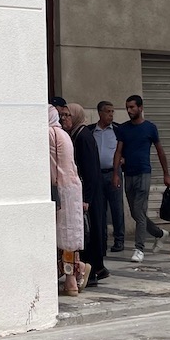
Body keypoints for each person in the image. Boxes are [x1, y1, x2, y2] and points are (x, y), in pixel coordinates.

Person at [114, 94, 170, 262]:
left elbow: (160, 151)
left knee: (139, 211)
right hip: (128, 174)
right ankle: (159, 234)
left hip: (144, 173)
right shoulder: (123, 129)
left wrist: (166, 173)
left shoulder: (150, 128)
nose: (129, 110)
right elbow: (118, 151)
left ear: (140, 108)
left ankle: (139, 248)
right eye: (127, 108)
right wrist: (116, 173)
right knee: (135, 212)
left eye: (132, 107)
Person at [66, 102, 106, 283]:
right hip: (87, 192)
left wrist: (87, 198)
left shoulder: (83, 137)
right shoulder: (77, 134)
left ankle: (94, 271)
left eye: (68, 115)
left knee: (91, 232)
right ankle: (97, 268)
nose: (64, 119)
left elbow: (89, 170)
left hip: (90, 194)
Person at [50, 104, 85, 295]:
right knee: (70, 236)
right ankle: (75, 275)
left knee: (61, 235)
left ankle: (71, 279)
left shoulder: (49, 134)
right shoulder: (64, 134)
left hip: (60, 189)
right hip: (73, 188)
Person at [93, 100, 125, 253]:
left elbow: (125, 150)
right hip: (97, 174)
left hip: (114, 173)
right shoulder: (92, 130)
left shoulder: (118, 130)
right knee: (100, 209)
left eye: (112, 111)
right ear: (100, 113)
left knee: (117, 208)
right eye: (108, 111)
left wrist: (121, 164)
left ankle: (119, 240)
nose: (111, 115)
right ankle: (102, 241)